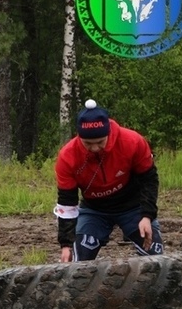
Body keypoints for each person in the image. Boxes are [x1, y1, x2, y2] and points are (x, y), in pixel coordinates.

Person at [54, 99, 164, 263]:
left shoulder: (132, 142)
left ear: (108, 133)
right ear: (79, 137)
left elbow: (149, 180)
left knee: (155, 257)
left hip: (132, 207)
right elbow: (67, 203)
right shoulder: (67, 156)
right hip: (94, 210)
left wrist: (147, 216)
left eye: (100, 142)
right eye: (88, 143)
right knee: (79, 261)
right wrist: (66, 244)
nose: (95, 148)